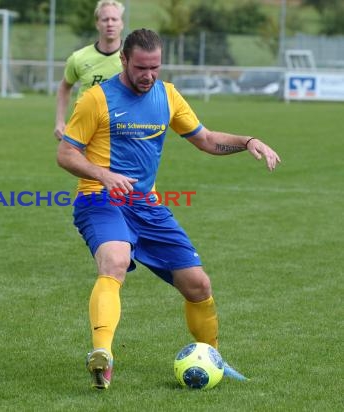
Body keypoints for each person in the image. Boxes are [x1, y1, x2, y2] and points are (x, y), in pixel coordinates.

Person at [56, 28, 281, 390]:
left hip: (147, 205)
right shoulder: (96, 99)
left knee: (198, 285)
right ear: (124, 61)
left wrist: (247, 141)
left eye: (155, 67)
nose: (149, 75)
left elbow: (205, 139)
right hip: (100, 199)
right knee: (114, 261)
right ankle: (102, 356)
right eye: (141, 68)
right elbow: (66, 153)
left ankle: (214, 358)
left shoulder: (167, 95)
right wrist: (104, 175)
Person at [54, 0, 125, 140]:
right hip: (84, 131)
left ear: (121, 23)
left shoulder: (132, 59)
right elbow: (64, 87)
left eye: (114, 19)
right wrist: (60, 121)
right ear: (97, 24)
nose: (110, 24)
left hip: (120, 132)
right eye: (105, 19)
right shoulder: (78, 58)